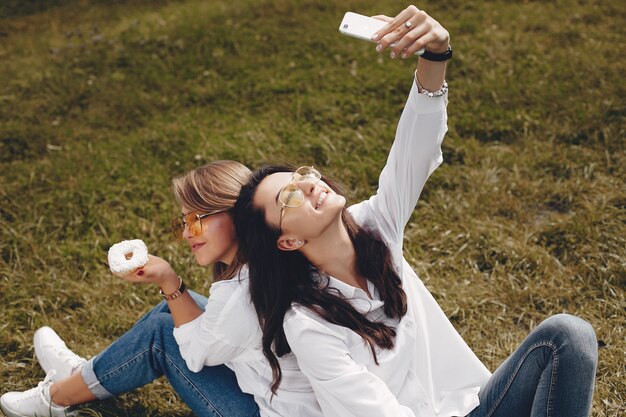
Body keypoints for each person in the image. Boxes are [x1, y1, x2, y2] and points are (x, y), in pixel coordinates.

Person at [232, 5, 598, 417]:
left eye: (300, 176)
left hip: (475, 408)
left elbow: (415, 149)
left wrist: (435, 55)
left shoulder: (375, 224)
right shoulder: (309, 325)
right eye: (289, 198)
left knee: (568, 334)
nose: (307, 185)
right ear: (288, 240)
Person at [0, 160, 321, 417]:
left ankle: (56, 399)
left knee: (162, 335)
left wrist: (169, 281)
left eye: (196, 219)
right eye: (183, 222)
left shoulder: (243, 294)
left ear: (234, 213)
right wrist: (172, 289)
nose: (186, 233)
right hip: (288, 398)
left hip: (269, 412)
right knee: (173, 309)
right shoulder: (264, 264)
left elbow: (195, 356)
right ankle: (79, 374)